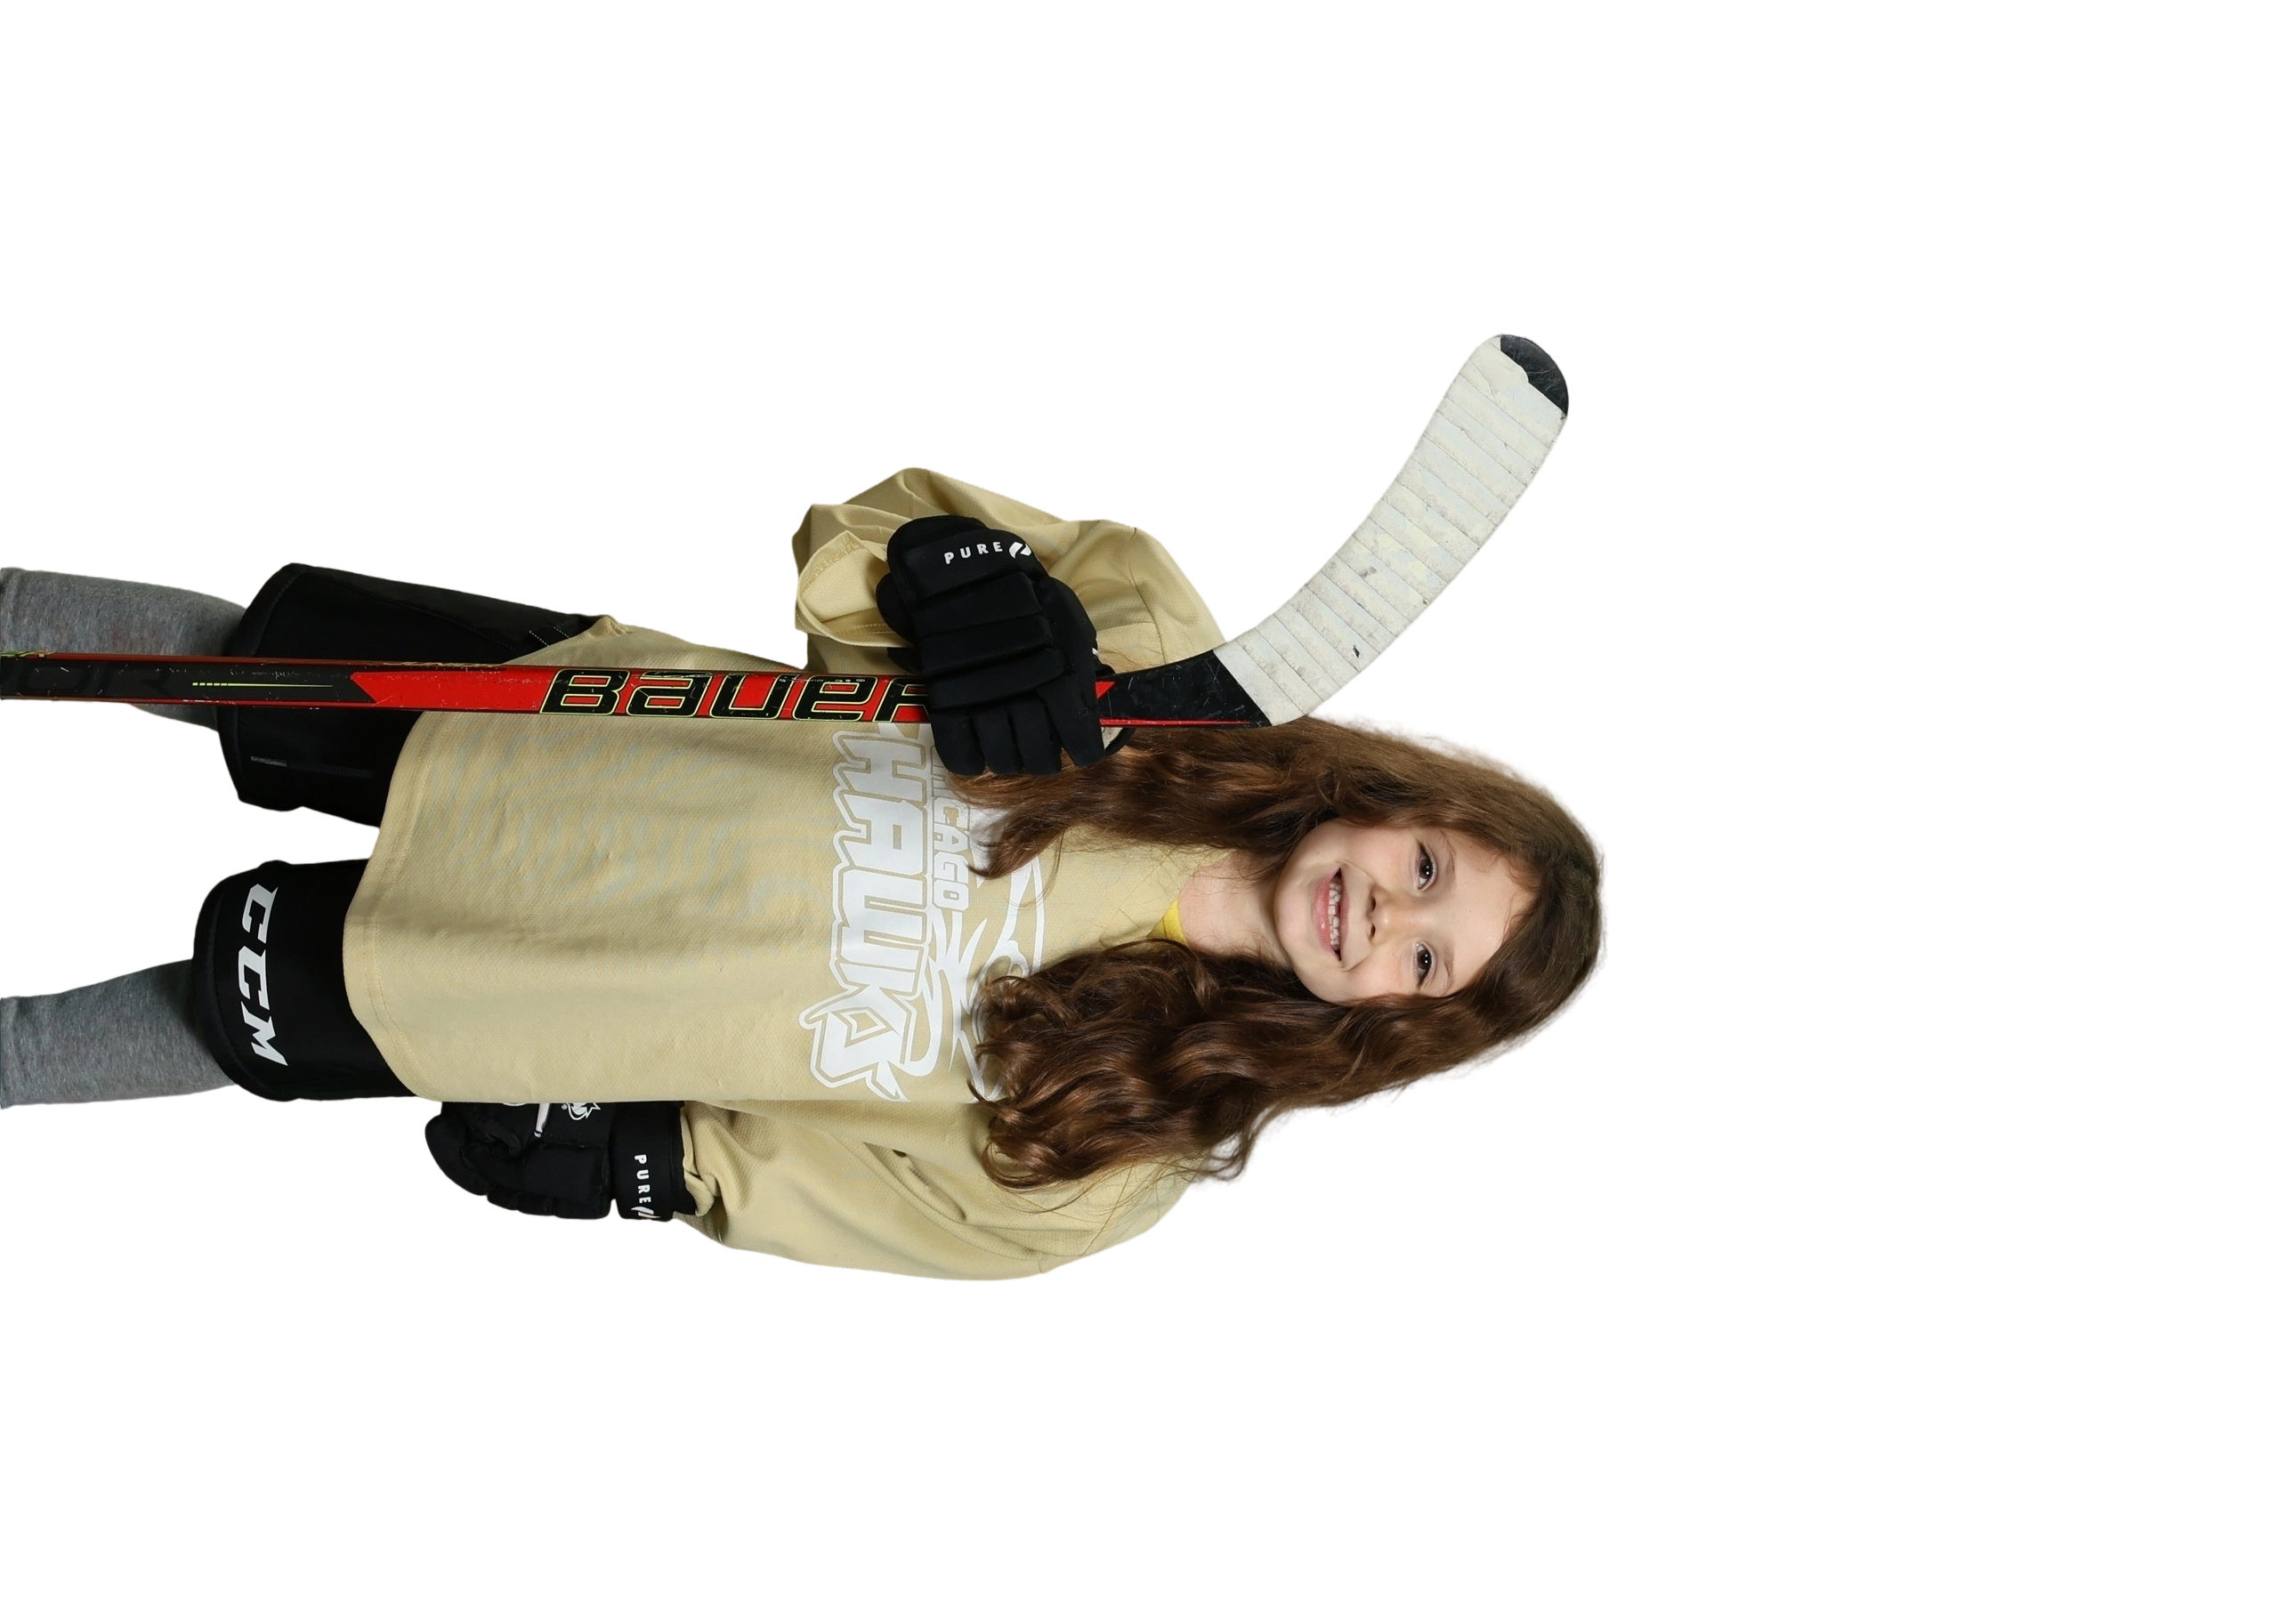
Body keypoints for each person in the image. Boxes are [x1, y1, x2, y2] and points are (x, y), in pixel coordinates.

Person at [0, 462, 1614, 1284]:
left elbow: (853, 1202)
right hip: (563, 731)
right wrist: (968, 585)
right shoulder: (1163, 668)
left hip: (517, 997)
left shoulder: (1122, 1155)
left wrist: (648, 1164)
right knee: (188, 653)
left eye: (1427, 962)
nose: (1386, 917)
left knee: (142, 1034)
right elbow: (866, 530)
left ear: (1398, 1028)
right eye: (1424, 865)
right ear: (1392, 799)